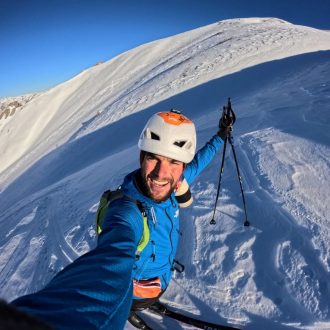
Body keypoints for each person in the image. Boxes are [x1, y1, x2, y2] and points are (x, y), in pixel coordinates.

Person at [10, 109, 233, 330]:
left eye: (174, 161)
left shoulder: (175, 184)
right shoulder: (127, 210)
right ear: (141, 158)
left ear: (182, 167)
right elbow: (109, 261)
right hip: (138, 293)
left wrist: (222, 134)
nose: (161, 174)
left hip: (160, 279)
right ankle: (130, 307)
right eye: (153, 158)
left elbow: (201, 159)